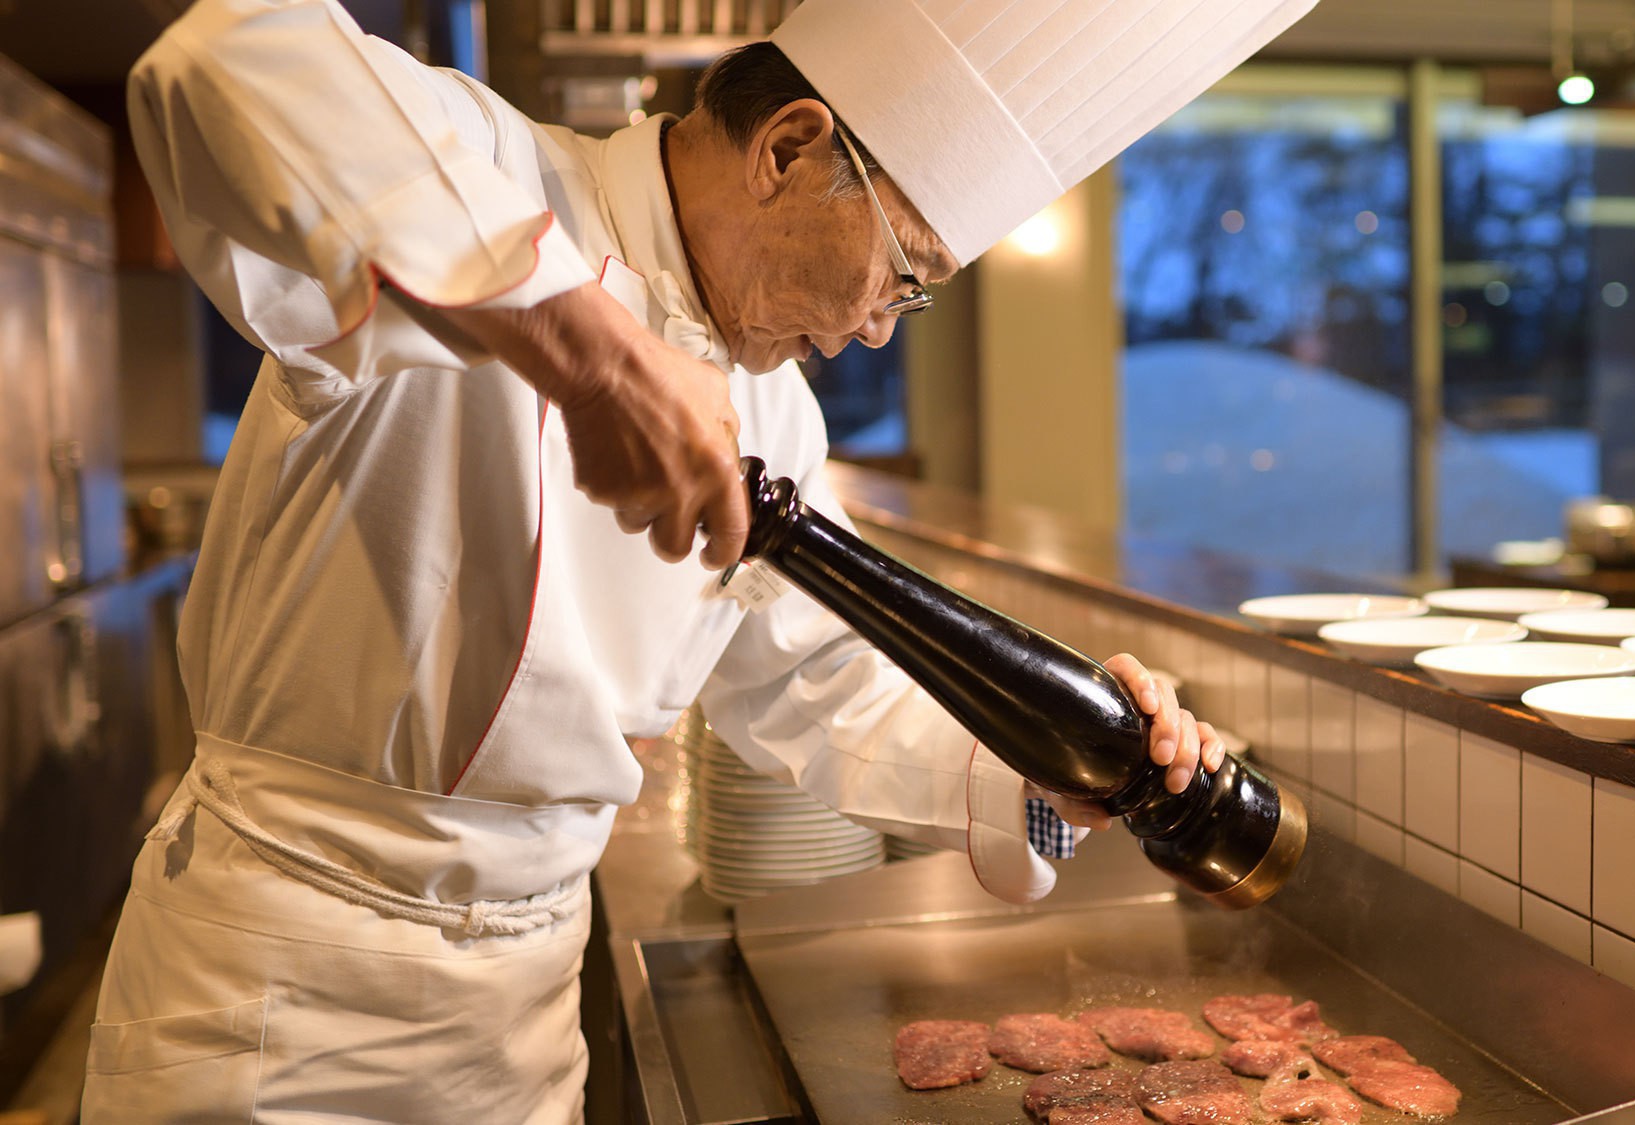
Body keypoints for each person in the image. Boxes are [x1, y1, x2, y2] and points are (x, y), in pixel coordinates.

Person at [83, 0, 1317, 1119]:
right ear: (787, 148)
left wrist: (1048, 789)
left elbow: (814, 683)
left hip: (518, 1018)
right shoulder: (497, 170)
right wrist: (583, 347)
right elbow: (227, 60)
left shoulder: (775, 415)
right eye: (902, 274)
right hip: (280, 989)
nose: (871, 329)